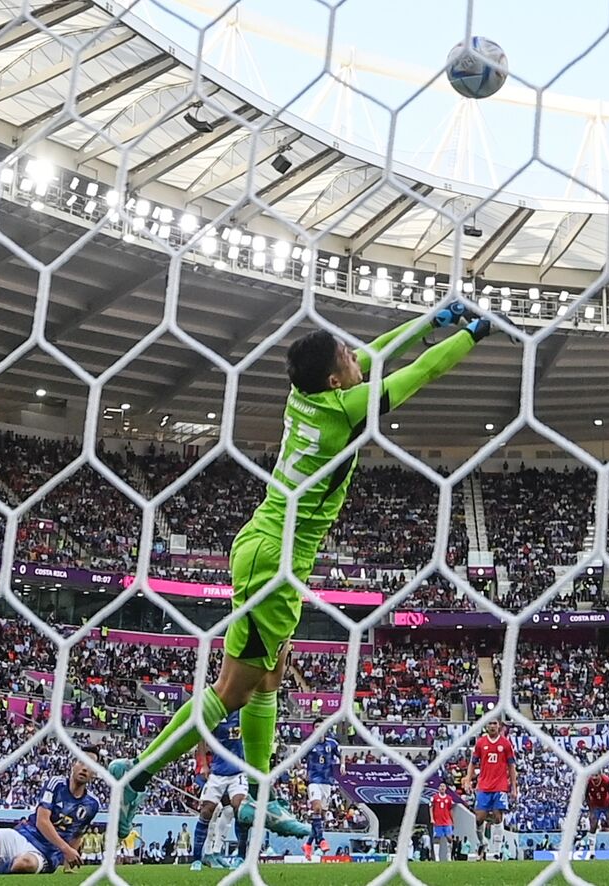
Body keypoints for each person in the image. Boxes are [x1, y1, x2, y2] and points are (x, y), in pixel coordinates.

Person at [109, 304, 491, 840]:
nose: (360, 359)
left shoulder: (306, 393)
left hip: (265, 544)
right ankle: (138, 774)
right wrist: (471, 335)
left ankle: (257, 798)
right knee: (233, 690)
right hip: (278, 558)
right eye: (348, 359)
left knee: (271, 675)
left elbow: (376, 353)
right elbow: (420, 372)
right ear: (337, 379)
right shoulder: (347, 410)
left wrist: (430, 321)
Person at [190, 712, 250, 871]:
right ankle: (197, 858)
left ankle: (240, 856)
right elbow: (201, 737)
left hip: (238, 772)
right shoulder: (215, 713)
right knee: (207, 811)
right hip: (217, 773)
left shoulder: (242, 713)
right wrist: (203, 764)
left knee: (239, 809)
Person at [462, 720, 518, 860]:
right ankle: (483, 843)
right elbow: (472, 763)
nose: (492, 726)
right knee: (479, 818)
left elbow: (511, 766)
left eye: (494, 723)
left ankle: (498, 852)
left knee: (498, 817)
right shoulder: (481, 743)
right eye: (489, 724)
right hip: (483, 786)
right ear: (486, 726)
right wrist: (468, 780)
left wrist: (514, 788)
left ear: (499, 726)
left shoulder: (505, 744)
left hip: (500, 786)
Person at [304, 720, 343, 846]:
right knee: (317, 808)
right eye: (316, 726)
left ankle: (308, 844)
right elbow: (298, 757)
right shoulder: (309, 744)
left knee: (321, 814)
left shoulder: (332, 744)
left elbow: (341, 754)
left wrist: (342, 765)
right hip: (314, 780)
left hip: (327, 781)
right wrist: (301, 769)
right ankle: (321, 840)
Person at [583, 773, 609, 859]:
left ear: (599, 775)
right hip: (595, 805)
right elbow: (586, 795)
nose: (594, 778)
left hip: (607, 804)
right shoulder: (588, 782)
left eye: (596, 776)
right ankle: (592, 853)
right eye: (592, 776)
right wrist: (590, 808)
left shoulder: (606, 780)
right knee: (593, 826)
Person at [430, 785, 456, 862]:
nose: (442, 788)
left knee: (449, 838)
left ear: (445, 788)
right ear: (438, 788)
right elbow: (431, 808)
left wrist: (453, 820)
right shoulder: (434, 798)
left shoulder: (449, 798)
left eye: (443, 787)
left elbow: (450, 810)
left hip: (447, 821)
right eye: (440, 786)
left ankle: (449, 856)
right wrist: (432, 818)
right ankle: (437, 857)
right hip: (438, 821)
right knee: (437, 838)